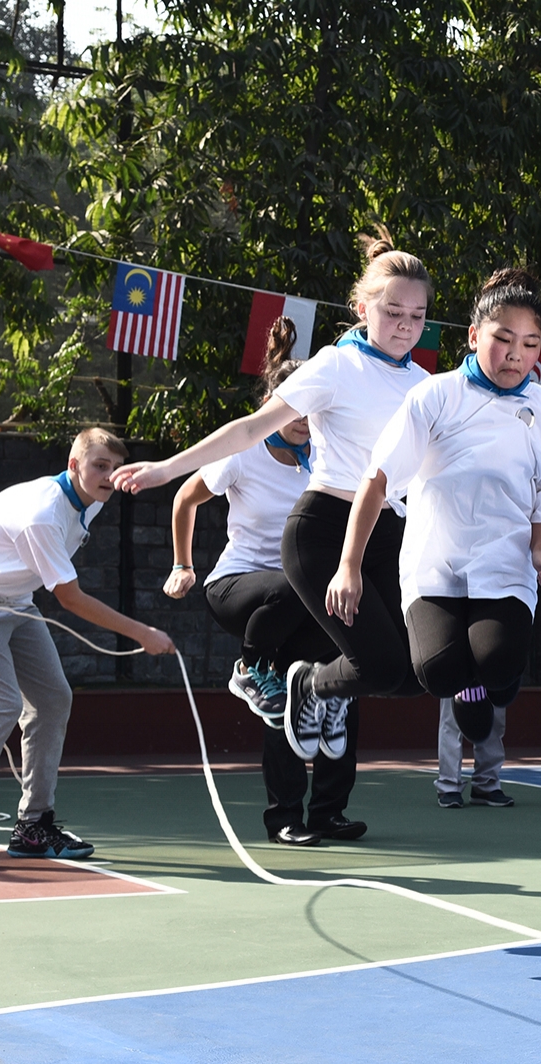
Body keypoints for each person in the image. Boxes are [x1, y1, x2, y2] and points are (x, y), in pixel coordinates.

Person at [114, 231, 432, 789]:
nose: (405, 326)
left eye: (417, 316)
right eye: (393, 312)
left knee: (415, 673)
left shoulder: (426, 385)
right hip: (324, 531)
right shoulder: (337, 366)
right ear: (363, 309)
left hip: (387, 534)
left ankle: (319, 685)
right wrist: (166, 469)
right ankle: (304, 686)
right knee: (381, 667)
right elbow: (250, 429)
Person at [331, 269, 541, 805]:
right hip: (435, 561)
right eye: (503, 339)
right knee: (438, 673)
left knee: (500, 664)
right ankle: (465, 687)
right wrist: (349, 565)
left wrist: (540, 550)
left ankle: (487, 680)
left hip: (504, 563)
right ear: (474, 335)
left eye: (530, 344)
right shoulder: (433, 395)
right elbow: (378, 479)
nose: (516, 354)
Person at [0, 428, 175, 869]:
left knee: (53, 699)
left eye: (115, 468)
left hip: (13, 600)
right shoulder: (42, 513)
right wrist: (142, 633)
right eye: (99, 466)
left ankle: (33, 827)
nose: (109, 476)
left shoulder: (90, 501)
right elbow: (70, 598)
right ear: (73, 466)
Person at [162, 321, 349, 846]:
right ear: (274, 407)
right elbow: (184, 498)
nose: (303, 421)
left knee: (333, 687)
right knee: (288, 600)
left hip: (304, 601)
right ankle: (250, 670)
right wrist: (181, 564)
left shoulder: (328, 459)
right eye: (294, 411)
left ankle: (328, 812)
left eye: (312, 411)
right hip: (240, 588)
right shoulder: (243, 453)